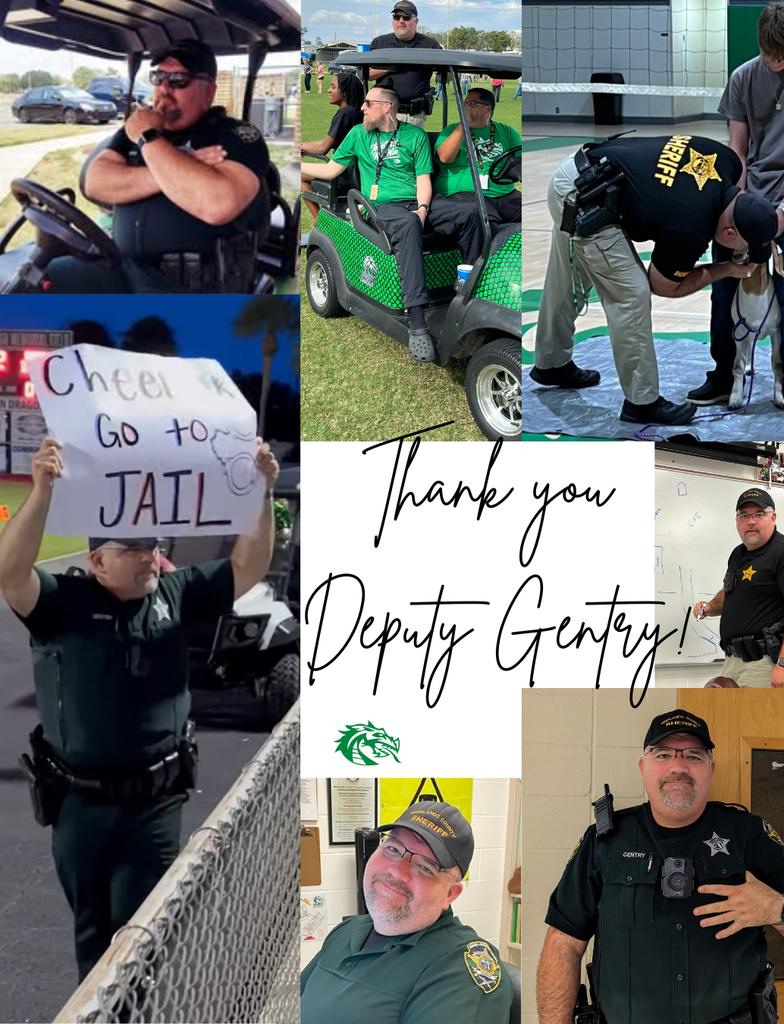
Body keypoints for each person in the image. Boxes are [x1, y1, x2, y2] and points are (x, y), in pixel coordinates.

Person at [0, 434, 279, 981]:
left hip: (155, 803)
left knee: (143, 938)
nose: (148, 555)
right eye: (131, 548)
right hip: (81, 804)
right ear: (97, 560)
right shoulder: (62, 604)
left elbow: (247, 567)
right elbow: (11, 574)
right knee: (93, 936)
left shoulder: (174, 593)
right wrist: (42, 492)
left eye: (150, 545)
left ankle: (134, 1009)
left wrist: (262, 491)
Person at [537, 710, 784, 1024]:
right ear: (643, 767)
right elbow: (564, 941)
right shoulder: (604, 841)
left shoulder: (748, 834)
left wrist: (780, 909)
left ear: (710, 768)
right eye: (663, 754)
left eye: (694, 756)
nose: (679, 766)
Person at [531, 134, 780, 426]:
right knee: (632, 294)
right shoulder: (691, 226)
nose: (743, 254)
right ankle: (642, 403)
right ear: (729, 234)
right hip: (586, 200)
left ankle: (551, 363)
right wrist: (725, 269)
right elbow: (663, 285)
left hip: (576, 172)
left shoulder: (728, 161)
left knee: (569, 276)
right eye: (744, 247)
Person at [43, 39, 270, 294]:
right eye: (158, 77)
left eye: (178, 80)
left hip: (189, 288)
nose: (164, 88)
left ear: (209, 92)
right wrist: (179, 169)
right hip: (123, 268)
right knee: (42, 280)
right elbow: (95, 182)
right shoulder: (141, 126)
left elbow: (217, 205)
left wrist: (149, 140)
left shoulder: (236, 136)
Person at [689, 2, 784, 417]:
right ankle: (722, 375)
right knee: (723, 286)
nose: (774, 61)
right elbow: (737, 151)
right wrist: (737, 206)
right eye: (768, 53)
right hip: (747, 197)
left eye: (782, 54)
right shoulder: (743, 77)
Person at [301, 83, 483, 363]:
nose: (362, 108)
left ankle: (468, 287)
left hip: (416, 201)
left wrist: (423, 208)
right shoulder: (358, 134)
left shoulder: (415, 136)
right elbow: (330, 170)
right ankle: (418, 320)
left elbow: (423, 179)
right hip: (381, 206)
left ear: (386, 107)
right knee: (408, 225)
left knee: (469, 212)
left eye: (368, 103)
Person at [300, 801, 514, 1023]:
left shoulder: (458, 970)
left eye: (425, 867)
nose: (397, 871)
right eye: (393, 849)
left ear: (450, 894)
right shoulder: (345, 931)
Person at [694, 487, 784, 688]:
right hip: (733, 661)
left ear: (773, 517)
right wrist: (711, 607)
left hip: (768, 665)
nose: (751, 521)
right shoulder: (738, 554)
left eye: (759, 514)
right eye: (744, 515)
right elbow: (731, 591)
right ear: (737, 521)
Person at [433, 87, 521, 234]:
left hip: (504, 192)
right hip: (465, 191)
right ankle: (493, 250)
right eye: (466, 102)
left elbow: (520, 161)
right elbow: (445, 158)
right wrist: (464, 124)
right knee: (487, 223)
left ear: (487, 109)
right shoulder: (452, 130)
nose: (466, 106)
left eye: (472, 103)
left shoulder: (507, 132)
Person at [301, 73, 365, 222]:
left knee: (299, 176)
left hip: (343, 173)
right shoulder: (359, 112)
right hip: (359, 173)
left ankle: (319, 220)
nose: (329, 90)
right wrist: (302, 146)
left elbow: (323, 149)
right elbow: (329, 141)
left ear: (345, 92)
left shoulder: (344, 114)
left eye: (333, 87)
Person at [369, 1, 443, 128]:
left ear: (416, 21)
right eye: (396, 17)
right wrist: (391, 67)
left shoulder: (429, 45)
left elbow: (446, 75)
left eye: (406, 17)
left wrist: (445, 69)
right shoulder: (379, 43)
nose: (401, 21)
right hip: (382, 111)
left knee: (410, 142)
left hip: (413, 115)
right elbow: (367, 74)